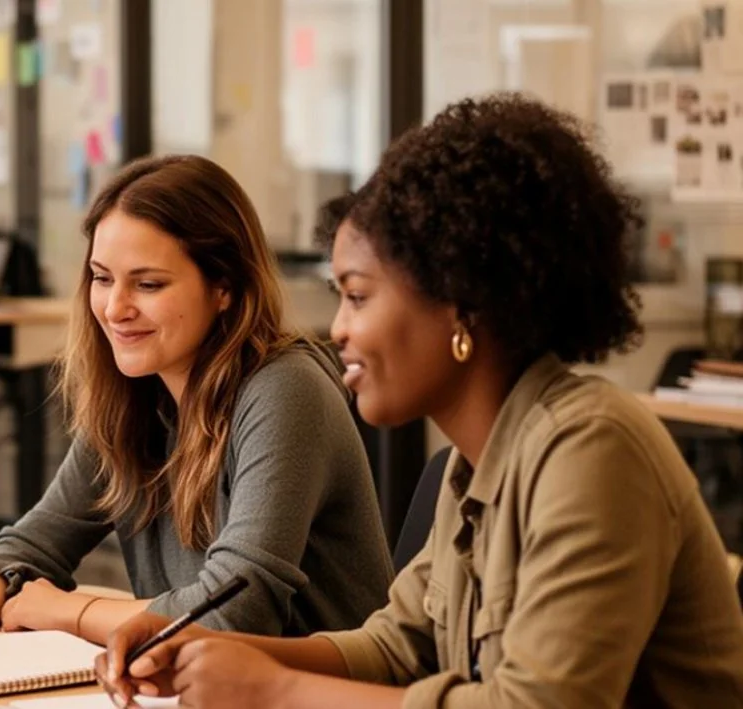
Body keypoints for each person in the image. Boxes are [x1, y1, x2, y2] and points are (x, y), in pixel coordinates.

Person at [97, 95, 743, 708]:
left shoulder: (593, 447)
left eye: (358, 295)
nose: (341, 329)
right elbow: (397, 644)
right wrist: (207, 645)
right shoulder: (474, 464)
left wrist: (277, 689)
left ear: (459, 302)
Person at [0, 154, 392, 646]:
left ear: (224, 288)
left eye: (147, 284)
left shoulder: (283, 388)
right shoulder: (136, 395)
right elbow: (31, 549)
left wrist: (72, 613)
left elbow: (233, 614)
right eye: (101, 278)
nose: (114, 308)